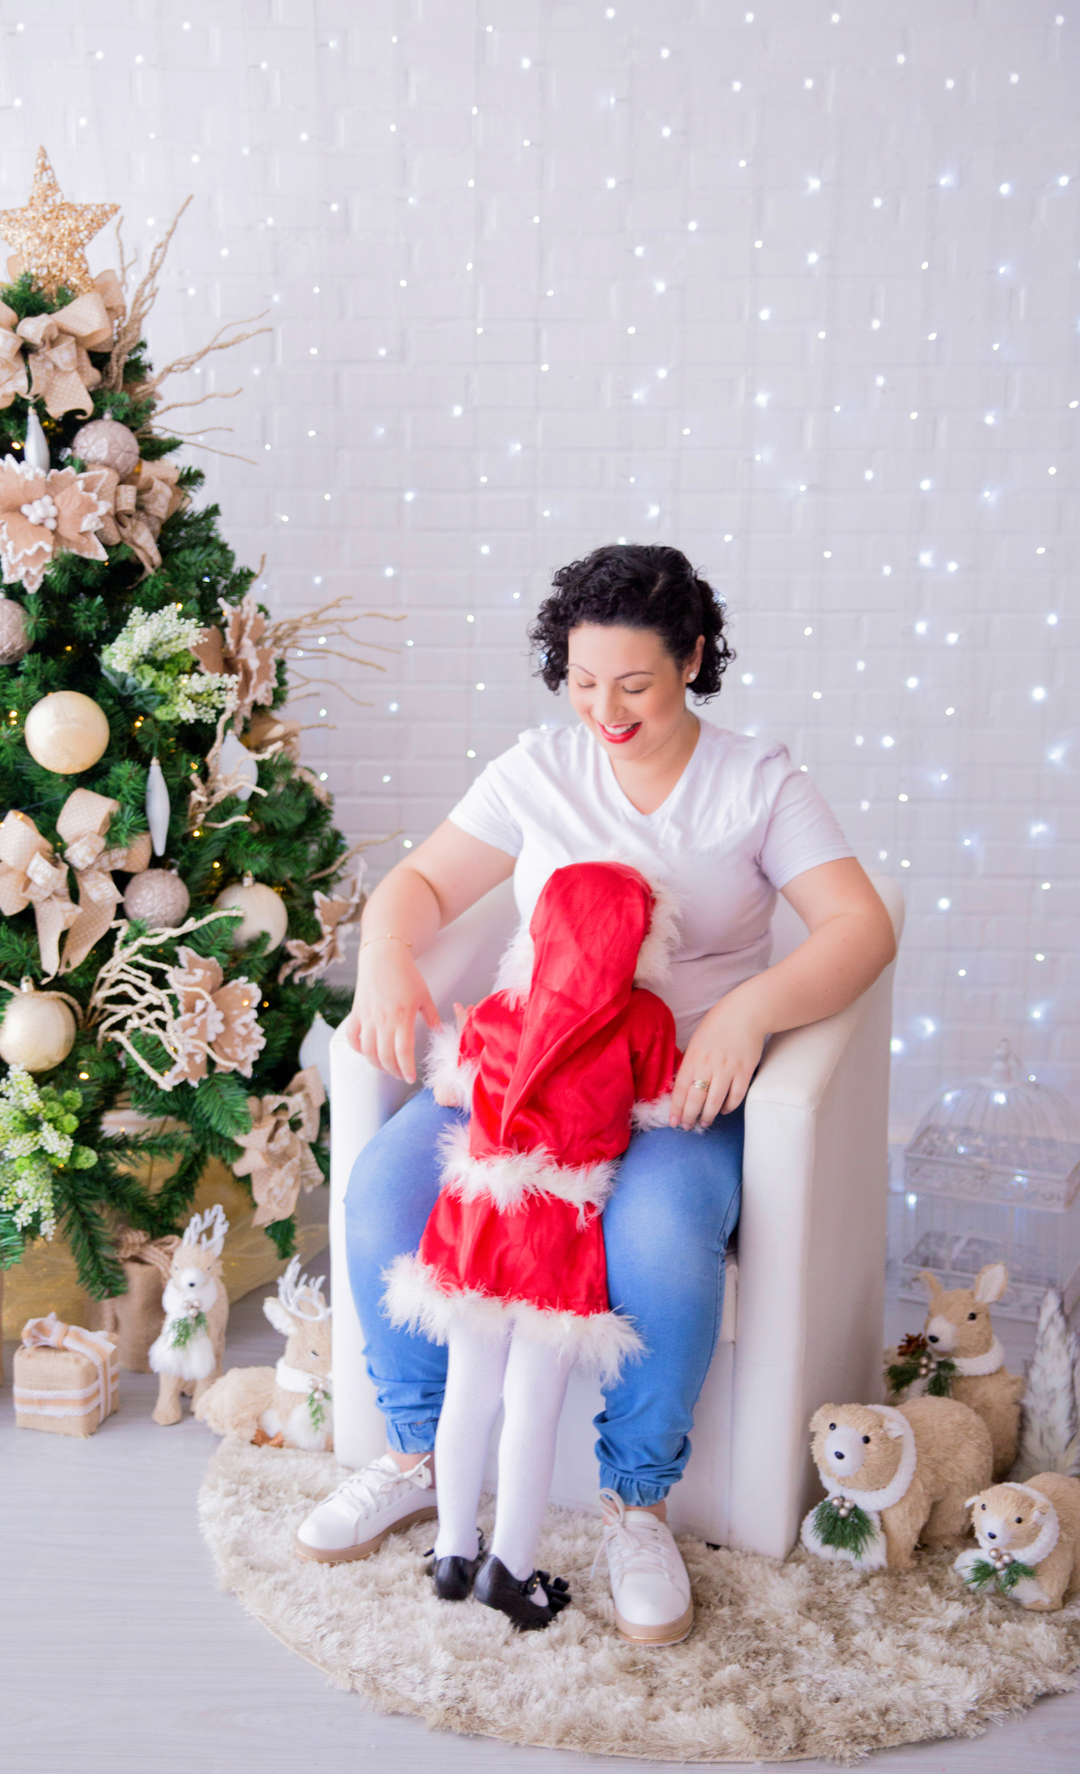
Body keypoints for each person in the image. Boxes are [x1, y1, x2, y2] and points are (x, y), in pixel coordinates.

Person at [295, 542, 897, 1644]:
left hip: (672, 1086)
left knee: (663, 1231)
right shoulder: (538, 768)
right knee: (384, 1191)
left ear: (694, 660)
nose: (605, 711)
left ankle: (638, 1503)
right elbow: (424, 883)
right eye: (581, 683)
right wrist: (386, 947)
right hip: (529, 1067)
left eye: (635, 684)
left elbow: (862, 925)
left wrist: (749, 1012)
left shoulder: (758, 781)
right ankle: (421, 1456)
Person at [385, 861, 680, 1632]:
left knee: (468, 1389)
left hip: (474, 1212)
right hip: (554, 1225)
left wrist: (469, 1047)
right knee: (532, 1404)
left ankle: (453, 1552)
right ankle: (509, 1572)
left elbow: (454, 1089)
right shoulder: (643, 1019)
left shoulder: (496, 1009)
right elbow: (659, 1105)